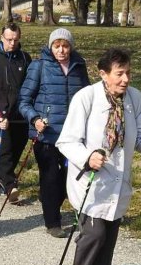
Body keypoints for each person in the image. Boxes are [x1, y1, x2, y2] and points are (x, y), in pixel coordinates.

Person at [56, 47, 141, 265]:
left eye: (128, 73)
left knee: (109, 238)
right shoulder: (86, 98)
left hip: (118, 182)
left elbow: (140, 133)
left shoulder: (134, 98)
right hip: (91, 181)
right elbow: (67, 140)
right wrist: (87, 157)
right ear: (103, 73)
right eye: (120, 74)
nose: (126, 79)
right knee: (93, 235)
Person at [18, 28, 90, 237]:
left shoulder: (79, 66)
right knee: (50, 177)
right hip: (47, 134)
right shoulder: (39, 66)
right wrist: (35, 119)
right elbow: (24, 100)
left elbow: (87, 97)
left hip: (73, 136)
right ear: (50, 47)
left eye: (65, 45)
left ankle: (50, 201)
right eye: (57, 45)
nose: (61, 50)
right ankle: (53, 223)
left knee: (71, 176)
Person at [0, 22, 31, 203]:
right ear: (2, 38)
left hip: (20, 115)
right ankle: (10, 187)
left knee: (16, 150)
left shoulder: (25, 58)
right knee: (4, 152)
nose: (12, 43)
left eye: (15, 40)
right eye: (9, 40)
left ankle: (3, 177)